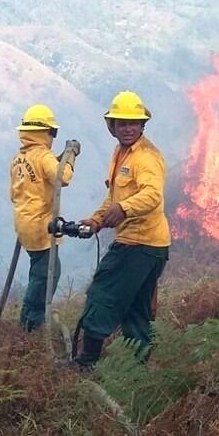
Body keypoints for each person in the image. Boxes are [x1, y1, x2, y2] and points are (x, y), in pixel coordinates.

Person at [68, 90, 171, 370]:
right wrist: (97, 219)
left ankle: (86, 362)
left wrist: (124, 210)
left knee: (103, 294)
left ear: (142, 126)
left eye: (133, 123)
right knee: (137, 307)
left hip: (140, 244)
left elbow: (152, 195)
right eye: (121, 123)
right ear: (111, 126)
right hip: (149, 246)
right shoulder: (120, 153)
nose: (127, 128)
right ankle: (137, 372)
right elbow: (114, 197)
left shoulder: (146, 157)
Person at [9, 104, 80, 331]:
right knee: (46, 273)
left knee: (37, 268)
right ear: (45, 132)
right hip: (41, 225)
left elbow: (42, 175)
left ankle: (29, 317)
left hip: (23, 222)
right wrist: (71, 155)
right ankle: (32, 319)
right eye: (53, 133)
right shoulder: (43, 155)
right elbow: (63, 177)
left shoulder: (20, 158)